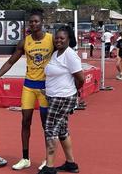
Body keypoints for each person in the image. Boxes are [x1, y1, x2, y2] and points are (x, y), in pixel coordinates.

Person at [0, 11, 54, 170]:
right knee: (25, 121)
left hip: (45, 87)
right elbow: (10, 62)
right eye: (31, 22)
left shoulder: (51, 39)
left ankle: (47, 159)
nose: (33, 24)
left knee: (46, 124)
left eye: (36, 21)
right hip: (29, 86)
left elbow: (65, 55)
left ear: (42, 22)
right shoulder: (25, 42)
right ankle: (25, 158)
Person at [39, 26, 84, 174]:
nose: (58, 40)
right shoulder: (56, 53)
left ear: (69, 39)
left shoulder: (70, 55)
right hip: (54, 96)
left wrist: (73, 91)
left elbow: (80, 78)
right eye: (56, 38)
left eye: (62, 38)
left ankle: (49, 167)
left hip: (62, 98)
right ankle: (71, 164)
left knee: (50, 130)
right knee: (62, 130)